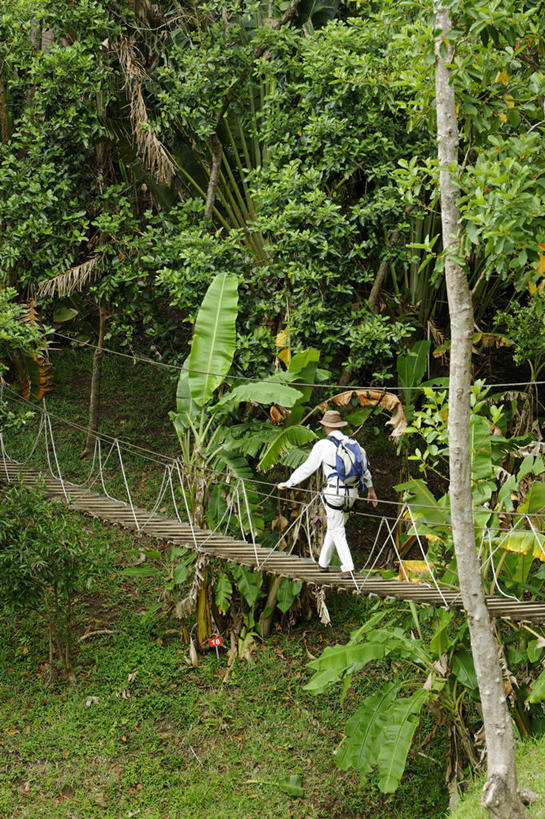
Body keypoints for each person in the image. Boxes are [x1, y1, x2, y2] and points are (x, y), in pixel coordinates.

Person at [277, 410, 378, 578]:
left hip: (334, 493)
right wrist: (371, 490)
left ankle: (348, 567)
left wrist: (289, 483)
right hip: (352, 494)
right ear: (339, 426)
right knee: (334, 526)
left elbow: (308, 467)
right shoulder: (353, 443)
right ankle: (323, 563)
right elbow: (365, 469)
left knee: (337, 529)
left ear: (325, 426)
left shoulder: (323, 445)